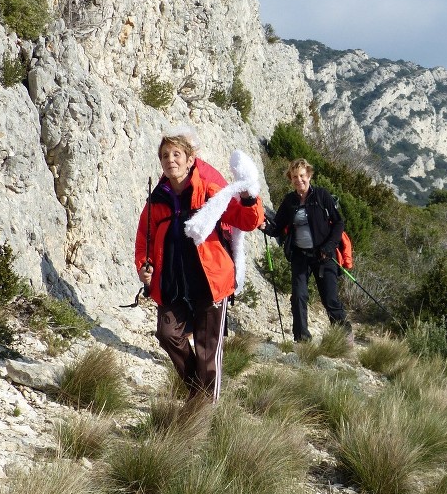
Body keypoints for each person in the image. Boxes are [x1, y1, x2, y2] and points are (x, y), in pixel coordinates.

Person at [136, 131, 265, 404]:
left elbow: (246, 220)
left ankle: (204, 412)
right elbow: (144, 242)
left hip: (211, 283)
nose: (170, 160)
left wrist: (250, 197)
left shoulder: (208, 191)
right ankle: (199, 391)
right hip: (173, 285)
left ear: (189, 159)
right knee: (167, 334)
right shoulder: (157, 200)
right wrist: (143, 266)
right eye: (164, 155)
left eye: (176, 154)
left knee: (208, 351)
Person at [263, 158, 350, 342]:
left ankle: (343, 338)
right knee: (299, 297)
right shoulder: (289, 201)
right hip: (300, 256)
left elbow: (339, 223)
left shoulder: (321, 195)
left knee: (330, 299)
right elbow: (278, 227)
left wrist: (328, 247)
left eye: (302, 175)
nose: (299, 180)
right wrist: (263, 226)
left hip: (324, 256)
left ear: (309, 175)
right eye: (294, 177)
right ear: (291, 179)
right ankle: (302, 340)